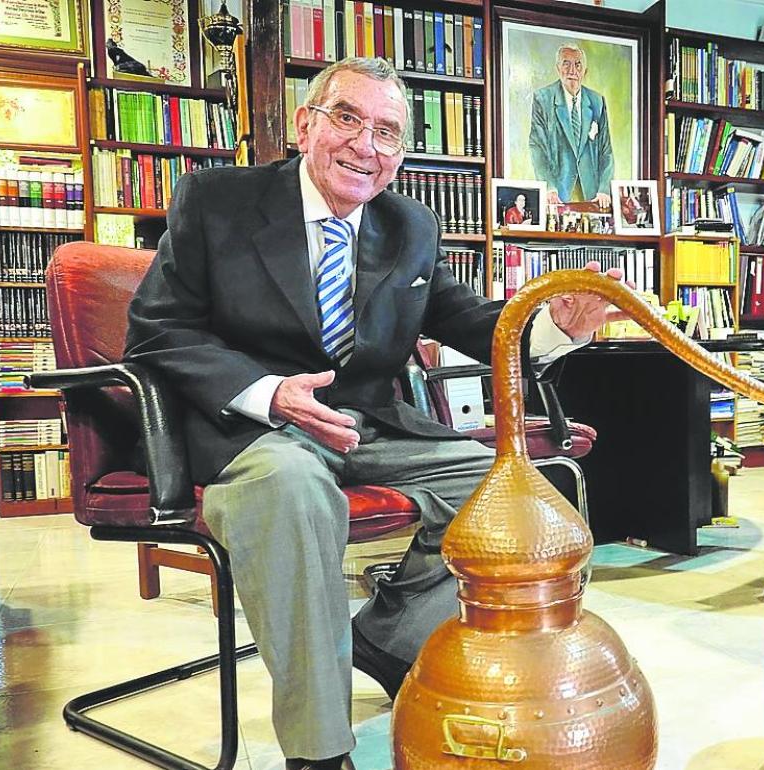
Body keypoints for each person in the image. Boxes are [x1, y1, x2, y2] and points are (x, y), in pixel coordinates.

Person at [124, 57, 625, 770]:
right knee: (291, 490)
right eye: (348, 118)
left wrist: (555, 329)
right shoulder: (216, 201)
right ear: (306, 125)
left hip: (369, 428)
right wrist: (269, 394)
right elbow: (157, 331)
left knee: (502, 489)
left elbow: (469, 320)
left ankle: (387, 634)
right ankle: (320, 750)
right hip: (256, 430)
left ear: (400, 155)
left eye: (388, 132)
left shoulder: (409, 226)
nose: (366, 145)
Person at [529, 43, 615, 209]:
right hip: (558, 195)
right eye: (566, 63)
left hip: (592, 196)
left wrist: (604, 189)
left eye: (577, 65)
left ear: (585, 71)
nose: (572, 71)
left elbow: (606, 151)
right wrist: (549, 187)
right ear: (557, 68)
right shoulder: (543, 99)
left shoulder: (597, 101)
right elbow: (537, 147)